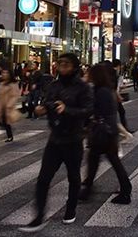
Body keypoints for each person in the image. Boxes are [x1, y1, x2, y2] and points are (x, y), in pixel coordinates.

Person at [19, 54, 93, 232]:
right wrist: (41, 109)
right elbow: (47, 103)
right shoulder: (53, 85)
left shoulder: (82, 87)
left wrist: (67, 109)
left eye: (66, 65)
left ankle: (71, 208)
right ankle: (39, 216)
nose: (62, 68)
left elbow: (88, 110)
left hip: (74, 138)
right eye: (60, 64)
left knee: (73, 177)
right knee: (43, 178)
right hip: (55, 138)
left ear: (74, 67)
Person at [79, 63, 132, 204]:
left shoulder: (100, 91)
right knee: (97, 161)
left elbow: (94, 111)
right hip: (107, 131)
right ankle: (88, 189)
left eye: (90, 73)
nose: (88, 75)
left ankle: (124, 190)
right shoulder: (106, 90)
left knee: (101, 161)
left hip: (103, 132)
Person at [0, 68, 21, 142]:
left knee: (6, 121)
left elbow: (15, 95)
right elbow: (0, 93)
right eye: (3, 73)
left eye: (6, 73)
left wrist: (10, 104)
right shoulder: (2, 83)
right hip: (2, 105)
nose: (4, 74)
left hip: (8, 106)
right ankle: (9, 133)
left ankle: (10, 136)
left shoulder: (13, 84)